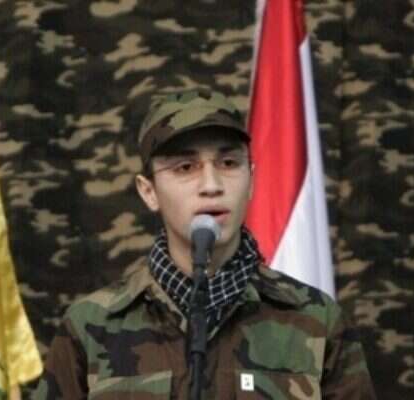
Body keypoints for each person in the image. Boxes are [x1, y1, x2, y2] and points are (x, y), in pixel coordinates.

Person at [33, 88, 376, 399]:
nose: (211, 185)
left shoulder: (316, 320)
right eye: (185, 167)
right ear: (149, 191)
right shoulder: (91, 326)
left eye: (228, 164)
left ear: (252, 180)